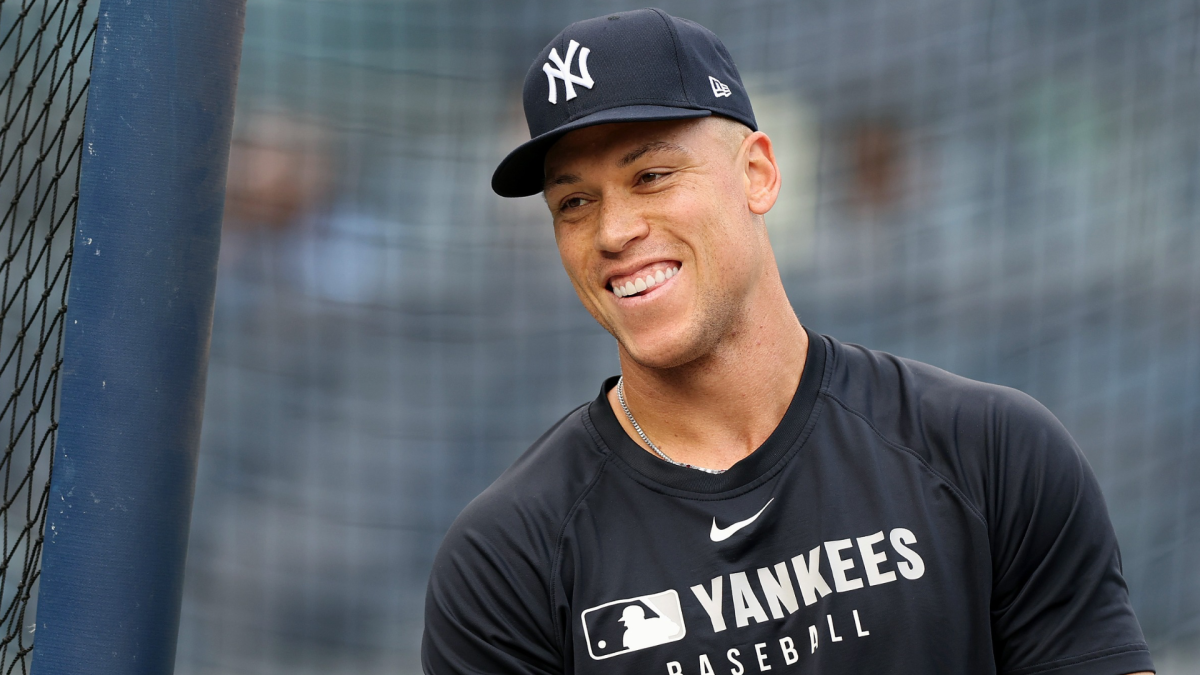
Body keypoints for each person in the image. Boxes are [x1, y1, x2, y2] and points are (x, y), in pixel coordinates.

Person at [422, 9, 1154, 675]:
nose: (613, 232)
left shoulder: (990, 451)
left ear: (759, 174)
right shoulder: (506, 560)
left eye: (651, 175)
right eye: (575, 202)